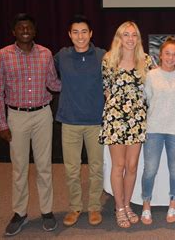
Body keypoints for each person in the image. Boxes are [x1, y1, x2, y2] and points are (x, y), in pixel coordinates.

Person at [0, 13, 61, 236]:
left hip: (42, 115)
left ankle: (47, 211)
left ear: (34, 30)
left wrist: (78, 81)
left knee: (44, 167)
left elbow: (53, 83)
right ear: (14, 31)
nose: (25, 30)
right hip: (17, 117)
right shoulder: (2, 56)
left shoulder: (46, 53)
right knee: (19, 169)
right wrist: (1, 123)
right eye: (20, 27)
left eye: (29, 27)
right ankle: (19, 213)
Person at [98, 21, 153, 228]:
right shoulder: (109, 60)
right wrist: (118, 112)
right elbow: (106, 90)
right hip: (115, 119)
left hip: (137, 120)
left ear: (138, 39)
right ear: (119, 38)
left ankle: (127, 204)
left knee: (132, 166)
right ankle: (119, 208)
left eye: (134, 35)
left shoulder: (146, 61)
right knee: (118, 165)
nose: (130, 39)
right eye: (126, 35)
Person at [54, 15, 106, 227]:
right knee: (72, 169)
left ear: (91, 33)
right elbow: (47, 75)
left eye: (84, 31)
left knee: (96, 167)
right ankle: (75, 206)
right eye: (75, 32)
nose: (80, 36)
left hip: (95, 122)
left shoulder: (102, 55)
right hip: (70, 121)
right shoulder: (62, 56)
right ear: (69, 35)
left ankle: (94, 206)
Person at [141, 37, 175, 225]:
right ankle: (146, 204)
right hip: (154, 129)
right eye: (167, 53)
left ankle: (173, 204)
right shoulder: (151, 76)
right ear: (160, 55)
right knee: (150, 170)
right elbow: (148, 99)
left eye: (174, 54)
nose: (170, 57)